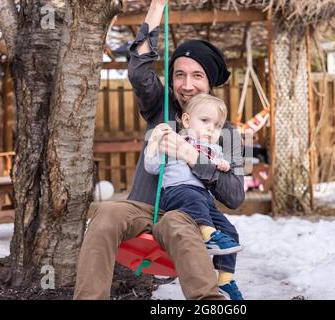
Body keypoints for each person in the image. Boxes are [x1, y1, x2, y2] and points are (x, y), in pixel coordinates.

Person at [74, 0, 245, 300]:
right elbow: (139, 71)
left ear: (210, 83)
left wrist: (192, 156)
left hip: (186, 214)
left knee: (177, 224)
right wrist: (156, 9)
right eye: (180, 74)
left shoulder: (226, 133)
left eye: (197, 76)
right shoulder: (160, 106)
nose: (187, 84)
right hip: (141, 208)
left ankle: (210, 302)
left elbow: (234, 195)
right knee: (106, 214)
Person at [144, 93, 244, 300]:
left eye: (217, 126)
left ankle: (225, 279)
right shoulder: (173, 141)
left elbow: (219, 169)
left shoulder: (215, 149)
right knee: (194, 199)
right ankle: (208, 234)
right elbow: (152, 166)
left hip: (204, 199)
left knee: (230, 231)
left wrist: (222, 165)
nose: (210, 129)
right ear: (187, 120)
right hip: (177, 192)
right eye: (205, 121)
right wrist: (154, 141)